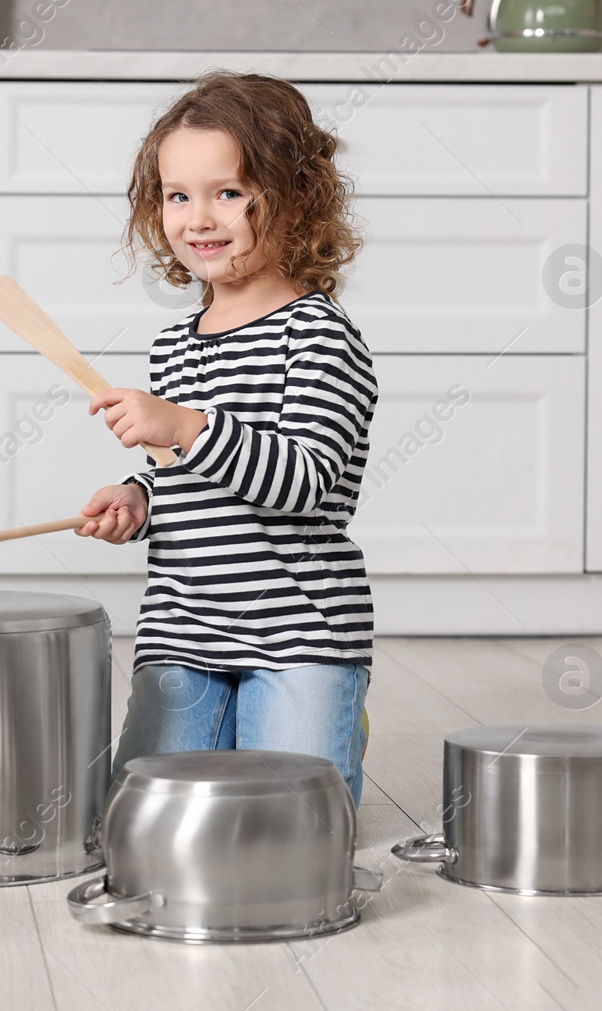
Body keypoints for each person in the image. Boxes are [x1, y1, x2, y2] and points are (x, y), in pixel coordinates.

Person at [77, 71, 377, 804]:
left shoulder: (319, 337)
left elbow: (305, 481)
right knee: (143, 813)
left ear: (296, 198)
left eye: (229, 192)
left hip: (299, 632)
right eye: (178, 195)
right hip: (183, 627)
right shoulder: (174, 346)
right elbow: (185, 473)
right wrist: (139, 497)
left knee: (297, 817)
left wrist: (184, 424)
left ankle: (333, 713)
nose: (198, 218)